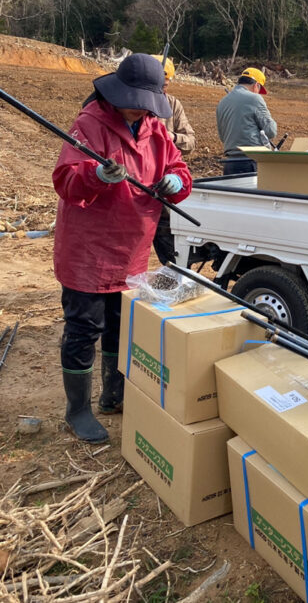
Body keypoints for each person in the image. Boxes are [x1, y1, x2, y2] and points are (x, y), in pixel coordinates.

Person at [53, 53, 193, 443]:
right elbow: (66, 180)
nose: (144, 110)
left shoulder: (155, 130)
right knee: (84, 330)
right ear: (119, 94)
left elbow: (179, 169)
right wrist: (96, 174)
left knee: (121, 327)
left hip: (133, 249)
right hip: (89, 250)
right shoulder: (90, 124)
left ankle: (114, 395)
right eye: (138, 101)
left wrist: (176, 184)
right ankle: (77, 410)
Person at [150, 55, 196, 265]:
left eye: (166, 85)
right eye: (158, 85)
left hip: (163, 186)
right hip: (134, 184)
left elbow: (190, 142)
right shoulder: (129, 103)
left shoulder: (173, 104)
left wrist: (172, 138)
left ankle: (173, 274)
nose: (162, 90)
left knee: (167, 240)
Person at [216, 67, 277, 175]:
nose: (258, 93)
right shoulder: (255, 99)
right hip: (251, 162)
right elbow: (271, 131)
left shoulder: (222, 103)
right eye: (259, 90)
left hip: (229, 164)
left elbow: (222, 136)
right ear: (256, 85)